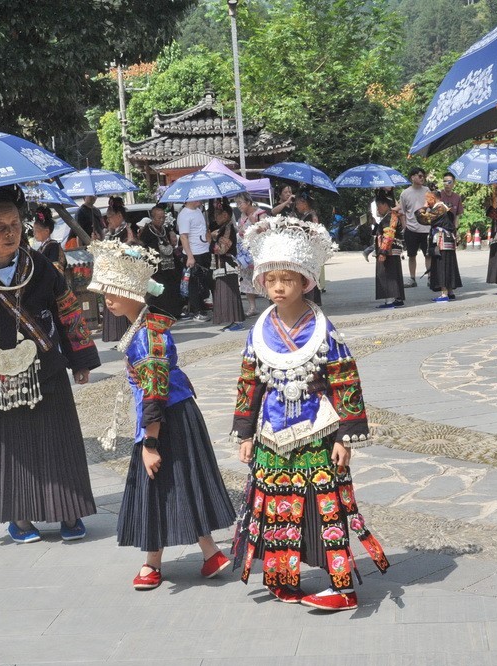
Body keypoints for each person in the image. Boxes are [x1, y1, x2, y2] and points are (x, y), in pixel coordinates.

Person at [231, 215, 390, 611]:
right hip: (271, 435)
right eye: (271, 279)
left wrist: (345, 438)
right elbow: (249, 382)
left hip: (317, 431)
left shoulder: (323, 329)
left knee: (324, 509)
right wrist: (245, 433)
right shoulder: (259, 330)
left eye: (287, 279)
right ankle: (281, 577)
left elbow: (345, 380)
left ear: (305, 281)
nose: (278, 287)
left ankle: (342, 588)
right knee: (275, 507)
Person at [0, 186, 100, 544]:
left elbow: (69, 313)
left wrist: (81, 359)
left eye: (14, 224)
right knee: (9, 449)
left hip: (45, 370)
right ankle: (20, 516)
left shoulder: (41, 267)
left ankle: (68, 511)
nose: (9, 233)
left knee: (56, 441)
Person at [89, 240, 235, 590]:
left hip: (164, 420)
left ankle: (154, 562)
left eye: (112, 291)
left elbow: (154, 394)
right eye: (104, 292)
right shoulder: (146, 327)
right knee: (177, 482)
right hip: (175, 415)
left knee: (156, 484)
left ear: (133, 292)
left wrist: (150, 442)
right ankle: (209, 552)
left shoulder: (146, 337)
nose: (107, 299)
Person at [137, 204, 183, 319]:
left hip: (169, 265)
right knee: (159, 291)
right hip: (156, 267)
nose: (162, 220)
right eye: (159, 218)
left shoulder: (165, 230)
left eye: (163, 217)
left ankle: (174, 312)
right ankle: (160, 314)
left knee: (172, 288)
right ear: (153, 218)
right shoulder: (147, 231)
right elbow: (142, 247)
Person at [101, 206, 137, 343]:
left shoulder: (127, 230)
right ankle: (118, 336)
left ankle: (129, 336)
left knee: (122, 304)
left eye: (110, 217)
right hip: (112, 272)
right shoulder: (111, 232)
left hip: (123, 272)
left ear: (119, 216)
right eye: (107, 218)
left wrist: (127, 244)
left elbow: (133, 251)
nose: (108, 220)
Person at [210, 200, 246, 331]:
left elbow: (222, 249)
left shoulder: (228, 228)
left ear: (225, 215)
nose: (215, 218)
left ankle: (238, 321)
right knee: (226, 293)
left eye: (217, 215)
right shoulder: (223, 228)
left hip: (228, 266)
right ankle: (233, 320)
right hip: (223, 266)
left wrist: (211, 240)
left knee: (231, 293)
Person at [420, 192, 462, 301]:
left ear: (433, 198)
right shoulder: (445, 207)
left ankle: (444, 294)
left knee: (441, 266)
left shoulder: (439, 208)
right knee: (448, 265)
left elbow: (423, 219)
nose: (427, 202)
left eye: (427, 199)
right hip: (447, 240)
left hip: (442, 241)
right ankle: (450, 292)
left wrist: (423, 208)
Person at [177, 199, 211, 321]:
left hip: (204, 250)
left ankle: (202, 306)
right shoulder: (184, 214)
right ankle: (197, 310)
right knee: (193, 283)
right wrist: (190, 256)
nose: (200, 201)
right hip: (194, 253)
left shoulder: (198, 211)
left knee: (204, 281)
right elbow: (183, 237)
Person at [372, 194, 405, 308]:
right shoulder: (391, 216)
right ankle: (397, 298)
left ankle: (389, 301)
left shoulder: (390, 217)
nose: (378, 209)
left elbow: (388, 235)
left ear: (385, 205)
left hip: (389, 251)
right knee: (394, 273)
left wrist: (383, 252)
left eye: (378, 206)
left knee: (387, 274)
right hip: (392, 250)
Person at [399, 167, 431, 287]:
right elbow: (402, 212)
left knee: (428, 255)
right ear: (412, 177)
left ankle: (430, 278)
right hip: (411, 229)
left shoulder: (427, 191)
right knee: (411, 255)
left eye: (423, 176)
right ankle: (412, 279)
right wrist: (405, 226)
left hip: (426, 228)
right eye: (420, 176)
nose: (422, 178)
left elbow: (432, 207)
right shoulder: (405, 193)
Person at [234, 192, 264, 314]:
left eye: (240, 203)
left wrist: (255, 223)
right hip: (245, 252)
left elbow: (266, 230)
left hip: (258, 251)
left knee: (262, 276)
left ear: (248, 202)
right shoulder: (242, 215)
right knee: (246, 278)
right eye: (237, 203)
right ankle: (252, 307)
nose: (239, 206)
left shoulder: (260, 213)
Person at [294, 192, 325, 305]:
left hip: (310, 249)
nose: (296, 206)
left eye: (298, 203)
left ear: (304, 203)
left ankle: (312, 301)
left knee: (310, 276)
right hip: (305, 248)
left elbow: (315, 231)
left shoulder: (312, 215)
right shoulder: (304, 215)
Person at [33, 206, 66, 274]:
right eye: (33, 231)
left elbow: (54, 267)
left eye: (36, 230)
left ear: (46, 231)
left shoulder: (53, 246)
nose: (34, 233)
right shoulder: (43, 247)